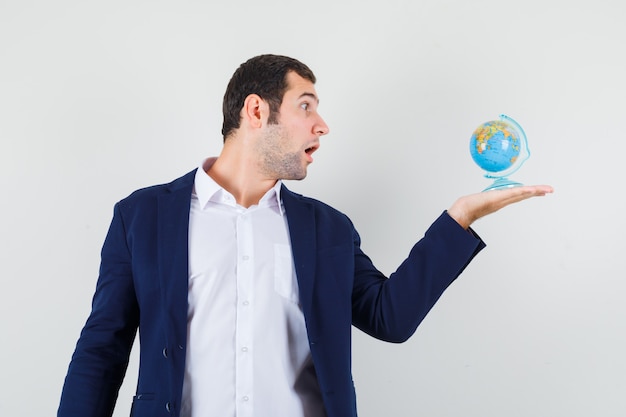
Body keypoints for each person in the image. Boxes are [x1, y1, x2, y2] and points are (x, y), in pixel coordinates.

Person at [57, 54, 553, 417]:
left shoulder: (328, 229)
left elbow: (389, 316)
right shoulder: (142, 216)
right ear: (256, 111)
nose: (323, 125)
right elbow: (103, 346)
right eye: (306, 105)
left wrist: (460, 217)